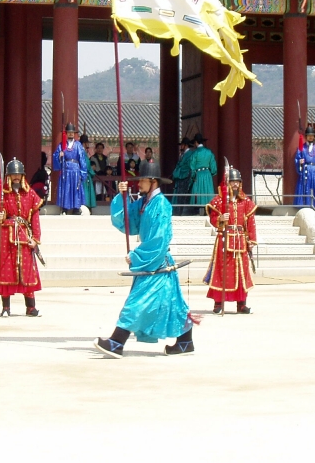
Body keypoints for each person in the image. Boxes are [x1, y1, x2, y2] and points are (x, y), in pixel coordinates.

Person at [95, 161, 194, 357]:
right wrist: (123, 196)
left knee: (137, 302)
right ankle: (185, 342)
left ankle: (116, 342)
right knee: (173, 304)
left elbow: (159, 238)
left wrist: (136, 255)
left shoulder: (162, 205)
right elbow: (127, 221)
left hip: (156, 260)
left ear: (153, 181)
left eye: (142, 180)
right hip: (154, 260)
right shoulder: (144, 203)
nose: (138, 183)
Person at [0, 158, 43, 317]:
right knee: (6, 270)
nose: (16, 177)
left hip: (24, 234)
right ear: (8, 176)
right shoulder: (1, 193)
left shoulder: (30, 193)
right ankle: (6, 308)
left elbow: (35, 217)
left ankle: (30, 307)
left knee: (28, 271)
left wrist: (35, 238)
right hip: (6, 234)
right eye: (13, 175)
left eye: (19, 175)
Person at [204, 167, 257, 315]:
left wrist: (251, 240)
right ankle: (218, 303)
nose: (235, 185)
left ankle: (242, 304)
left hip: (240, 240)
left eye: (237, 182)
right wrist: (220, 219)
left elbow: (251, 222)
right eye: (232, 182)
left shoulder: (245, 201)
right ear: (227, 183)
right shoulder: (219, 200)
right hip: (224, 239)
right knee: (222, 271)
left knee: (241, 272)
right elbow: (213, 218)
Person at [52, 122, 88, 215]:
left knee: (76, 188)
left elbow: (82, 160)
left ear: (74, 134)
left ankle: (76, 208)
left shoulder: (78, 145)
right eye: (69, 132)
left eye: (72, 132)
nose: (71, 134)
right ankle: (64, 208)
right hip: (66, 169)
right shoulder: (62, 145)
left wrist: (83, 173)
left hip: (76, 170)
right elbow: (55, 156)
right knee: (66, 188)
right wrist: (59, 156)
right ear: (66, 133)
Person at [294, 126, 315, 208]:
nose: (311, 137)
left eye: (312, 135)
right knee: (304, 188)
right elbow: (297, 159)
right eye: (309, 135)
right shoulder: (301, 148)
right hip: (305, 171)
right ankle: (304, 207)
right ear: (306, 136)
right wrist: (299, 162)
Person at [187, 133, 217, 216]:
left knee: (198, 194)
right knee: (207, 193)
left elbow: (192, 168)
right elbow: (214, 168)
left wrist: (192, 178)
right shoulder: (209, 152)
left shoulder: (195, 153)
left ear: (196, 142)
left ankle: (198, 211)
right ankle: (208, 212)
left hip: (198, 175)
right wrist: (210, 174)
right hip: (207, 175)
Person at [171, 139, 193, 213]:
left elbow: (187, 166)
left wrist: (178, 171)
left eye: (182, 145)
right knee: (179, 195)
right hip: (180, 177)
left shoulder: (190, 154)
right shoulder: (183, 154)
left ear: (185, 145)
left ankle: (181, 211)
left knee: (183, 195)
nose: (181, 146)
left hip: (185, 177)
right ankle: (178, 210)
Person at [80, 136, 97, 209]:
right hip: (84, 174)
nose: (88, 144)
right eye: (87, 143)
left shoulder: (82, 150)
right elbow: (86, 164)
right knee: (85, 191)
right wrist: (92, 172)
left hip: (82, 173)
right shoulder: (82, 151)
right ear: (84, 143)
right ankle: (85, 206)